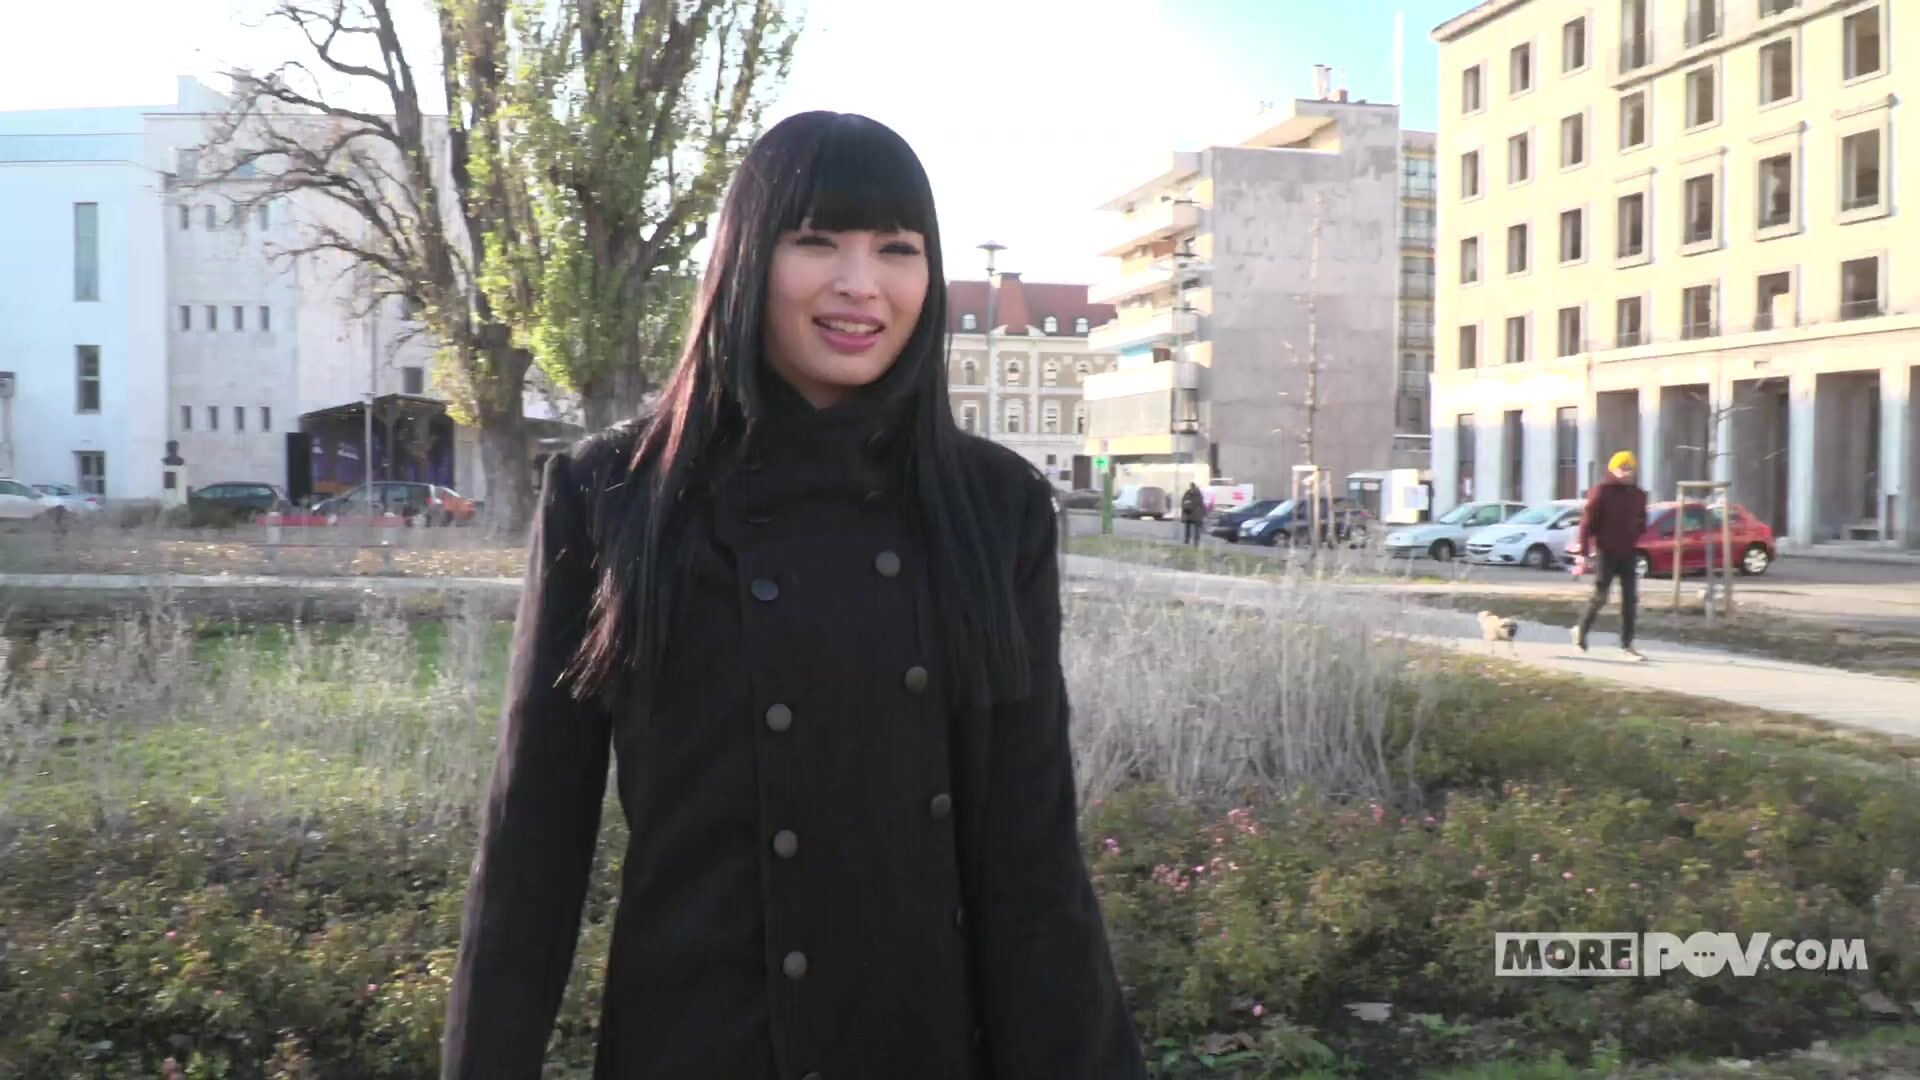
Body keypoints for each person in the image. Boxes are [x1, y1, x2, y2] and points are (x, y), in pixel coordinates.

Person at [442, 111, 1147, 1079]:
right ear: (744, 260)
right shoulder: (614, 495)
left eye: (896, 249)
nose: (860, 284)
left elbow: (1030, 857)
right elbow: (533, 844)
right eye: (816, 240)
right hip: (693, 1046)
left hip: (921, 1048)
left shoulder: (995, 509)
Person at [1573, 450, 1649, 661]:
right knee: (1601, 597)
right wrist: (1584, 552)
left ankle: (1627, 644)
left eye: (1630, 469)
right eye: (1623, 469)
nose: (1627, 473)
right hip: (1606, 552)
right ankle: (1581, 632)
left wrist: (1637, 529)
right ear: (1613, 470)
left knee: (1630, 599)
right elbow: (1587, 523)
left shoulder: (1638, 495)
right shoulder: (1602, 492)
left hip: (1628, 552)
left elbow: (1642, 519)